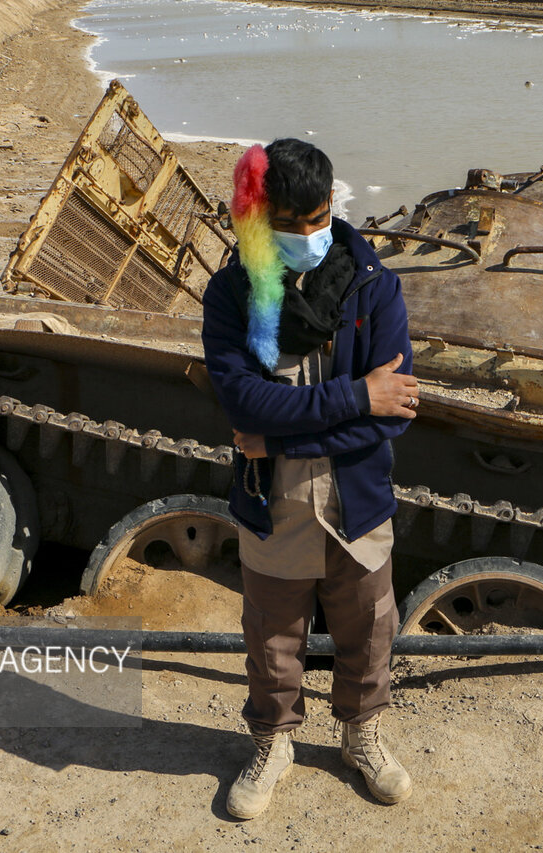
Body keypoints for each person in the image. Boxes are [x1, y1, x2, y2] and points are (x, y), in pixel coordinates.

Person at [201, 138, 420, 819]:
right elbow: (245, 403)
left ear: (333, 203)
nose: (306, 235)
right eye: (288, 223)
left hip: (359, 500)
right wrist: (357, 395)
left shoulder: (375, 288)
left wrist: (277, 436)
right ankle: (273, 742)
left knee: (370, 629)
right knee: (272, 638)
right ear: (258, 218)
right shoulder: (233, 295)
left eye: (317, 218)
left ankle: (362, 735)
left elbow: (392, 418)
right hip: (274, 503)